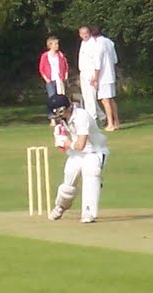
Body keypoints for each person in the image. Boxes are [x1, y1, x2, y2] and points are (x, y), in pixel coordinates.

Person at [45, 93, 107, 223]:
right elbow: (71, 144)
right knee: (69, 180)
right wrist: (59, 137)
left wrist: (66, 143)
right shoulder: (63, 120)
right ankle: (60, 206)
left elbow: (80, 144)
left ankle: (89, 212)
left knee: (91, 172)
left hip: (94, 152)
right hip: (76, 154)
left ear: (62, 110)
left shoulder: (81, 117)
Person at [93, 28, 120, 130]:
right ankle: (116, 122)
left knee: (105, 100)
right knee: (111, 99)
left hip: (103, 76)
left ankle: (110, 124)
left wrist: (95, 78)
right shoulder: (109, 42)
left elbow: (98, 63)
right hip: (111, 74)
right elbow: (115, 60)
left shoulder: (98, 45)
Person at [77, 25, 102, 123]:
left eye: (86, 33)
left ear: (89, 33)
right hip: (83, 72)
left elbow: (96, 61)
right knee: (86, 96)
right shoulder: (83, 43)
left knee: (91, 96)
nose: (84, 35)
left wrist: (95, 76)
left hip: (91, 72)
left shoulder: (93, 43)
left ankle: (92, 118)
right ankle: (101, 116)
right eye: (82, 34)